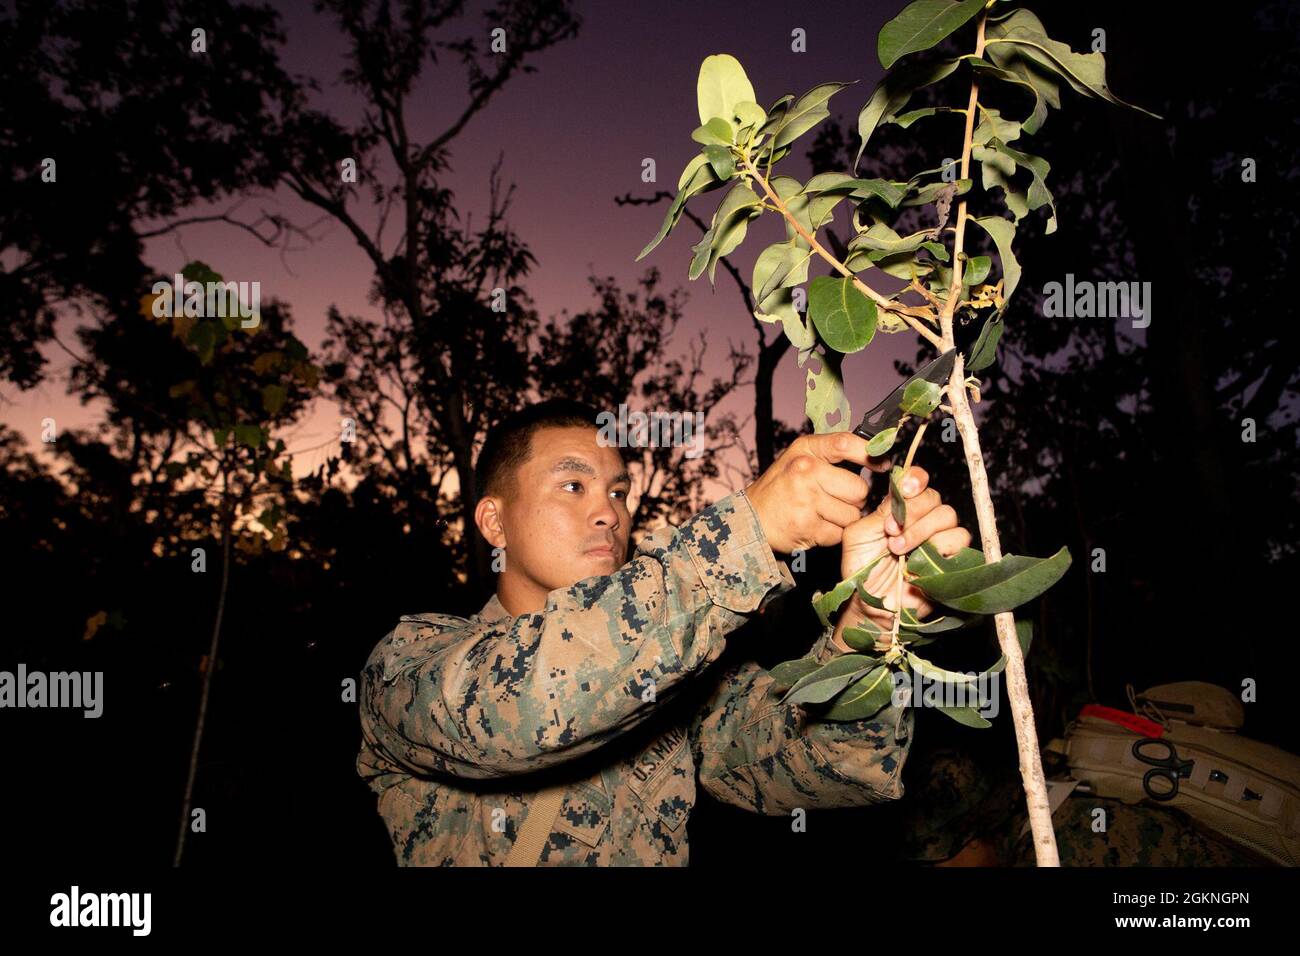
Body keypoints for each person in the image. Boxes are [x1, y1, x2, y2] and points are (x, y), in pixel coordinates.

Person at [356, 399, 971, 865]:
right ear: (494, 521)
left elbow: (824, 763)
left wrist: (872, 623)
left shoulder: (669, 679)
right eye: (573, 486)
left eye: (619, 489)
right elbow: (530, 703)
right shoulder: (409, 662)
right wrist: (748, 532)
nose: (610, 510)